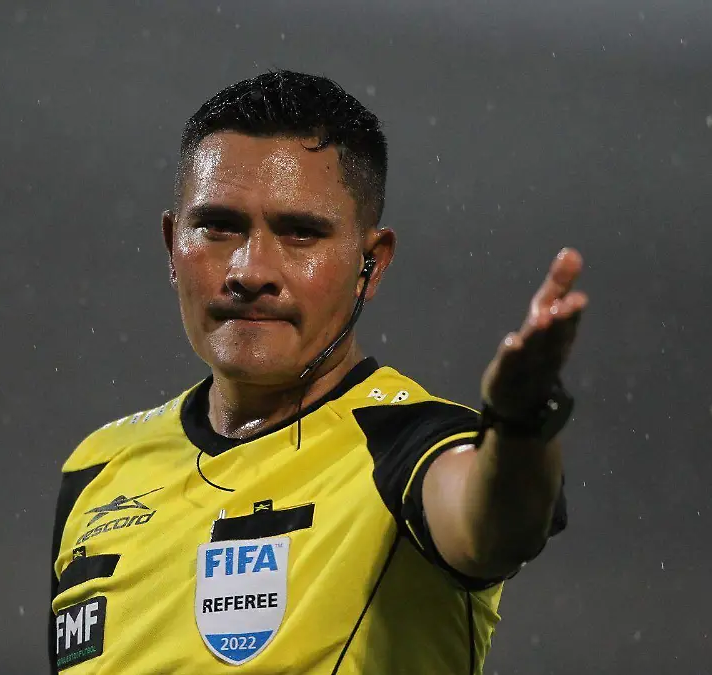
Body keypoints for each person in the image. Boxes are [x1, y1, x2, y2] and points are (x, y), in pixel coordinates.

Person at [49, 70, 588, 674]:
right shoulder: (97, 470)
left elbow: (497, 527)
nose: (250, 271)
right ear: (173, 245)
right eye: (218, 226)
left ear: (370, 264)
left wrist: (520, 422)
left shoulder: (408, 446)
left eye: (300, 233)